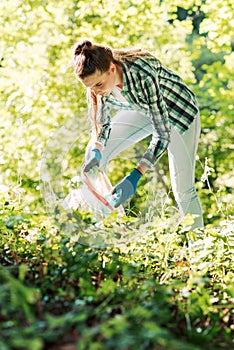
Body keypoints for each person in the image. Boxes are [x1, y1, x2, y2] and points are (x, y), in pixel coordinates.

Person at [72, 39, 204, 231]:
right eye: (91, 87)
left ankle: (200, 249)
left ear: (111, 68)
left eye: (98, 84)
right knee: (93, 154)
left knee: (183, 189)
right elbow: (101, 126)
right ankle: (114, 229)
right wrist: (96, 149)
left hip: (178, 113)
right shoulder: (97, 86)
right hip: (142, 109)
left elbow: (162, 133)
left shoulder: (141, 72)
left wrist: (135, 175)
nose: (96, 91)